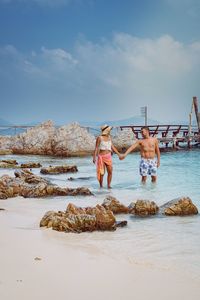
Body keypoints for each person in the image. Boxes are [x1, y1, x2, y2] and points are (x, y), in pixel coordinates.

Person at [93, 124, 121, 189]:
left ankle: (109, 186)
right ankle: (101, 186)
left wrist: (119, 154)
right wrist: (94, 157)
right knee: (102, 173)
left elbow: (112, 147)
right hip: (101, 157)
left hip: (108, 156)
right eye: (109, 130)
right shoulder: (99, 138)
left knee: (110, 171)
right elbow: (96, 148)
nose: (110, 131)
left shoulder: (109, 137)